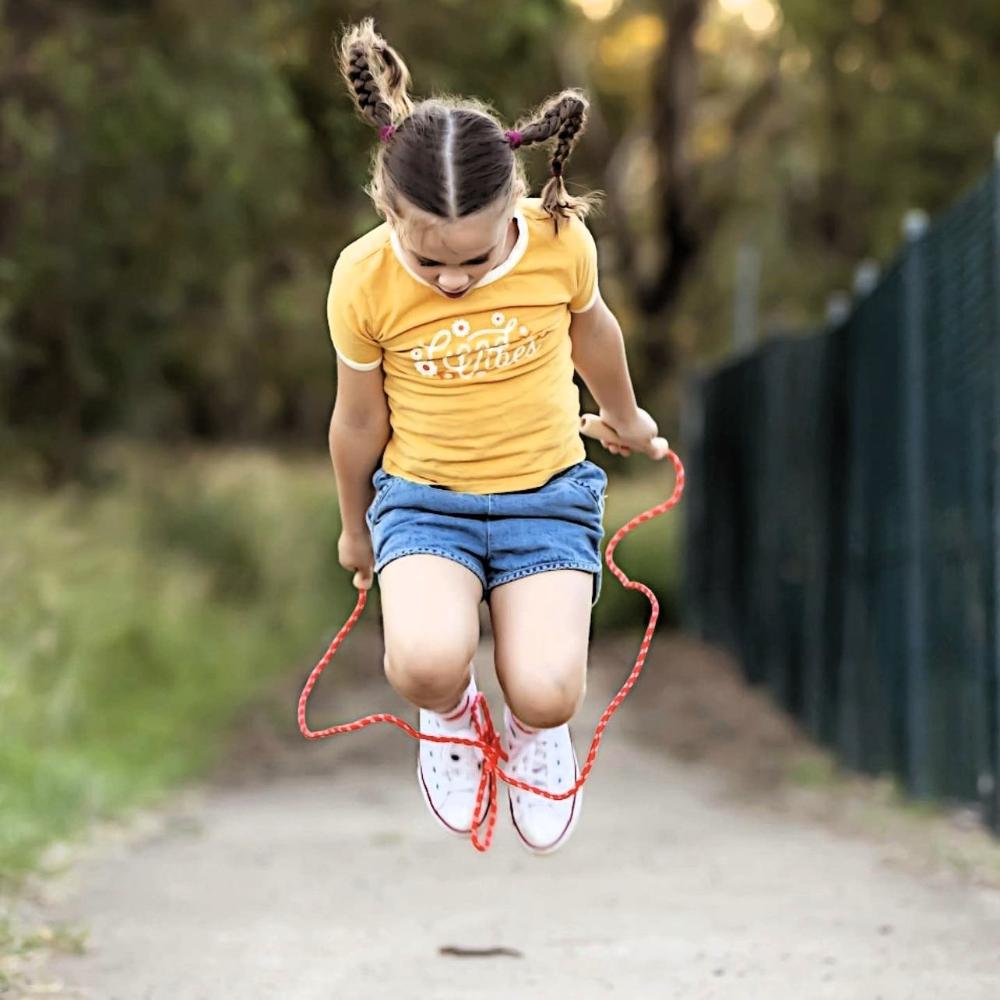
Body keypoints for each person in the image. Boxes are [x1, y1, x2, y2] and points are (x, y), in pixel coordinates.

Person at [327, 19, 668, 855]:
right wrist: (354, 526)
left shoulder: (559, 245)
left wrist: (626, 416)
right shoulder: (362, 278)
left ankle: (530, 729)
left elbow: (595, 337)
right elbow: (359, 418)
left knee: (549, 692)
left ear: (512, 202)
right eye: (430, 258)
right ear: (389, 208)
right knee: (424, 663)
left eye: (473, 262)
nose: (451, 281)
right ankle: (453, 716)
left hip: (545, 497)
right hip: (423, 504)